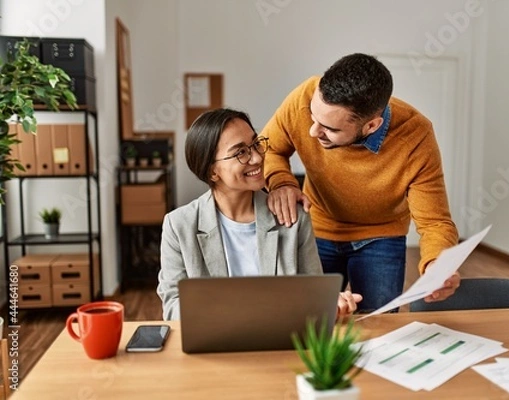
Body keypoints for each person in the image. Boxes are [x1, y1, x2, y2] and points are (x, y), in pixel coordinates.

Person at [262, 53, 460, 312]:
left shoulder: (416, 136)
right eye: (313, 117)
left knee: (378, 324)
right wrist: (281, 182)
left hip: (381, 237)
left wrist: (437, 265)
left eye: (329, 129)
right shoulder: (304, 96)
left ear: (371, 126)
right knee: (308, 316)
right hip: (319, 226)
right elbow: (268, 148)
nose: (313, 132)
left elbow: (435, 222)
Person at [157, 108, 361, 321]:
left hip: (280, 342)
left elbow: (314, 294)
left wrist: (330, 304)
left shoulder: (293, 217)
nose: (257, 158)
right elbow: (172, 306)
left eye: (255, 144)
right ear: (212, 171)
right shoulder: (178, 225)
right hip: (216, 344)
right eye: (240, 152)